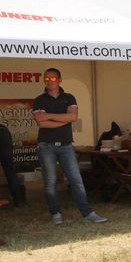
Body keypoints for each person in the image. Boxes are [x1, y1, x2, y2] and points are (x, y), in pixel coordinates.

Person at [32, 68, 107, 225]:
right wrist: (64, 118)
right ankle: (56, 214)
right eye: (46, 78)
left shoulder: (69, 97)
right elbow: (41, 123)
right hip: (46, 146)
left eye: (53, 78)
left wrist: (50, 115)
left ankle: (87, 213)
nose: (49, 80)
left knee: (76, 180)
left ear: (60, 80)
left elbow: (73, 117)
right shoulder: (39, 100)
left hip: (66, 146)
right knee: (50, 181)